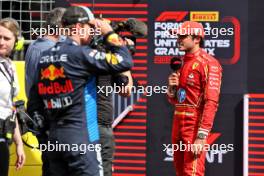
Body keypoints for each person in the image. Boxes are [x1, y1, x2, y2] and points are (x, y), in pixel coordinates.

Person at [27, 6, 133, 176]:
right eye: (90, 29)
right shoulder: (80, 54)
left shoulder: (44, 57)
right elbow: (124, 61)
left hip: (54, 138)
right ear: (78, 28)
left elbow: (34, 102)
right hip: (81, 136)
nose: (92, 33)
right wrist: (109, 33)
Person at [167, 21, 222, 176]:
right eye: (178, 36)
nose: (179, 39)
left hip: (194, 126)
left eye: (183, 36)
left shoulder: (209, 63)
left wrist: (201, 136)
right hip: (177, 122)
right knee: (181, 173)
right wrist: (172, 89)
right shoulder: (182, 62)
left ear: (197, 39)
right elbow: (177, 100)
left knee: (192, 172)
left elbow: (211, 102)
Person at [25, 7, 66, 176]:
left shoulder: (35, 46)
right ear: (60, 27)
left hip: (40, 116)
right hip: (49, 117)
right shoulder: (49, 50)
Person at [0, 17, 26, 176]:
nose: (1, 42)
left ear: (17, 42)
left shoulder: (10, 66)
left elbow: (12, 108)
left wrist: (19, 144)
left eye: (7, 38)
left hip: (3, 138)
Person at [97, 70, 133, 176]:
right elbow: (125, 90)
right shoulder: (109, 56)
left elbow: (125, 90)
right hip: (91, 124)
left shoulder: (111, 55)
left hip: (96, 123)